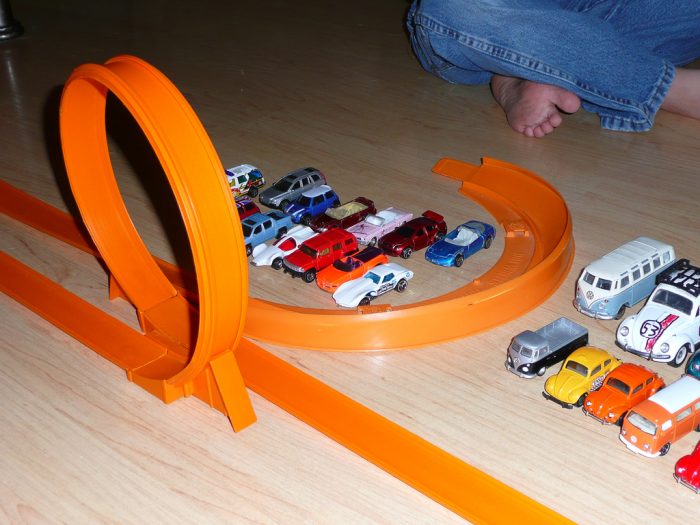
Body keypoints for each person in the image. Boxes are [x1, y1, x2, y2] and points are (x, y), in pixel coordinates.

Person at [407, 0, 700, 137]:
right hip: (494, 16)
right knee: (452, 6)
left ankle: (534, 63)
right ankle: (669, 89)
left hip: (609, 12)